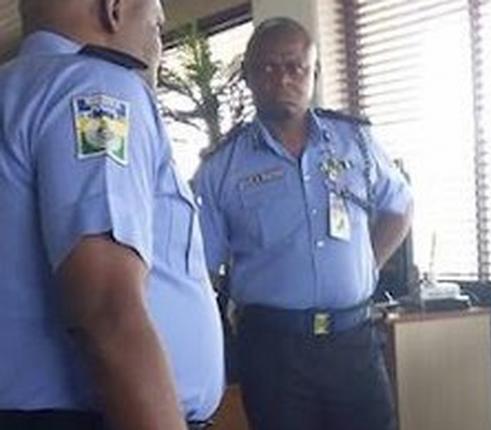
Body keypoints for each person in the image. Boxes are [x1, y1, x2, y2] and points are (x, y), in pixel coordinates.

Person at [0, 1, 224, 429]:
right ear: (114, 10)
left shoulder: (12, 90)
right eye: (157, 25)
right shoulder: (95, 88)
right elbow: (106, 310)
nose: (157, 41)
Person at [193, 17, 413, 430]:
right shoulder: (221, 168)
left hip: (354, 343)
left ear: (314, 72)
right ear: (248, 76)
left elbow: (399, 207)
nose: (283, 78)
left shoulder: (355, 142)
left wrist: (370, 261)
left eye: (295, 66)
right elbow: (201, 268)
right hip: (275, 353)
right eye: (268, 67)